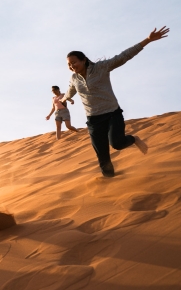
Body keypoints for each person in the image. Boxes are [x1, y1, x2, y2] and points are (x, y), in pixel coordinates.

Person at [62, 26, 169, 177]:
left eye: (74, 62)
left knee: (117, 144)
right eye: (69, 65)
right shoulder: (74, 78)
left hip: (111, 113)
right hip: (93, 119)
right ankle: (110, 180)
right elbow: (70, 90)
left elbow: (124, 56)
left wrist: (148, 40)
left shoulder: (102, 67)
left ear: (84, 60)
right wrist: (65, 99)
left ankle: (133, 139)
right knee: (102, 155)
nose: (72, 66)